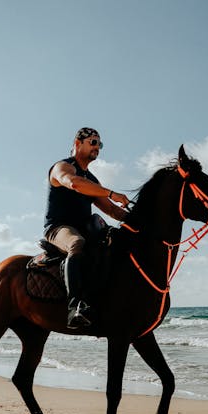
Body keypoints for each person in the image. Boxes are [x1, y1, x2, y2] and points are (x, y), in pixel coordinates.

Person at [44, 127, 130, 329]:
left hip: (84, 227)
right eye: (93, 142)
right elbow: (73, 183)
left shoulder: (92, 180)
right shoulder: (62, 167)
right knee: (76, 243)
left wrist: (140, 219)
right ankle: (75, 307)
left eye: (100, 144)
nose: (97, 147)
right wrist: (111, 193)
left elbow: (112, 210)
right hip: (58, 228)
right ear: (77, 143)